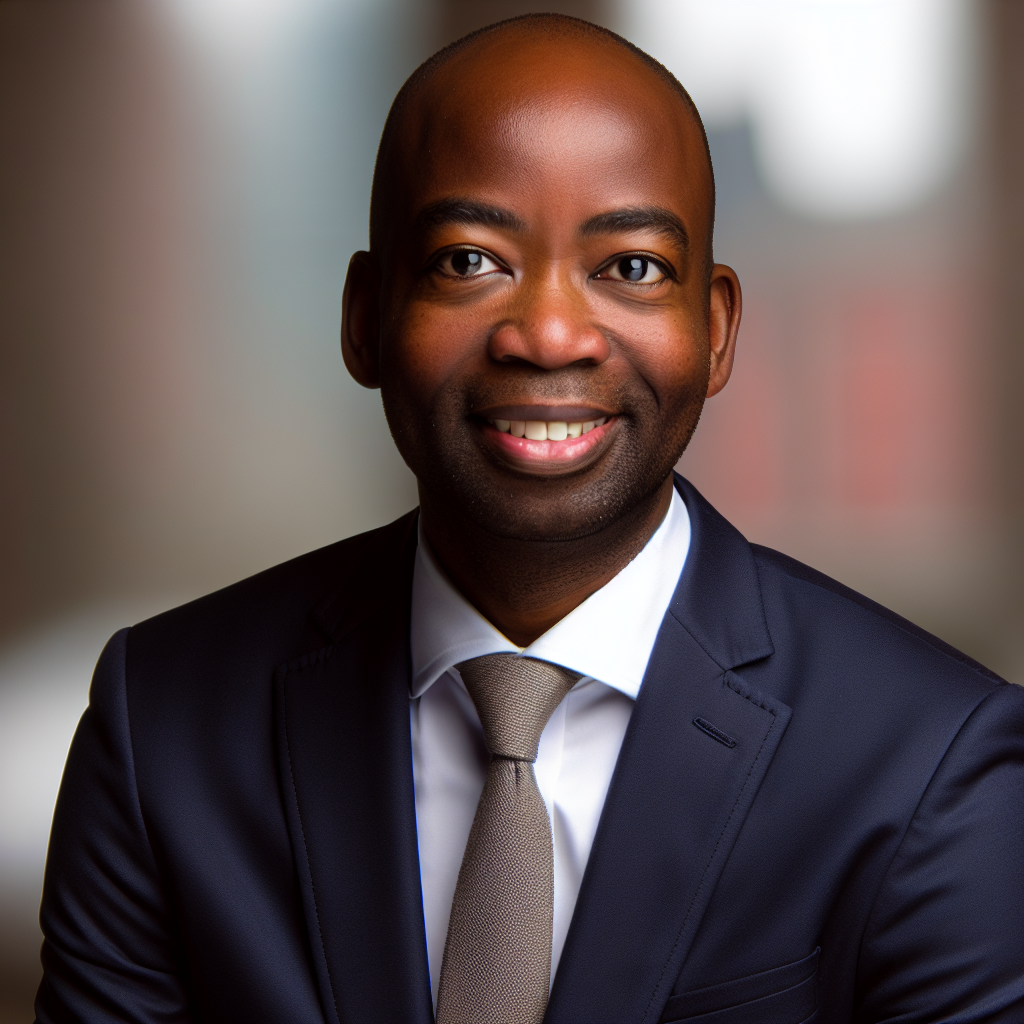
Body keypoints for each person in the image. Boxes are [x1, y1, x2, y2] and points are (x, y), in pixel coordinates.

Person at [35, 14, 1023, 1024]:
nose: (549, 333)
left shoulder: (932, 762)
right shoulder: (159, 727)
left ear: (716, 330)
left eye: (630, 267)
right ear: (364, 318)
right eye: (469, 261)